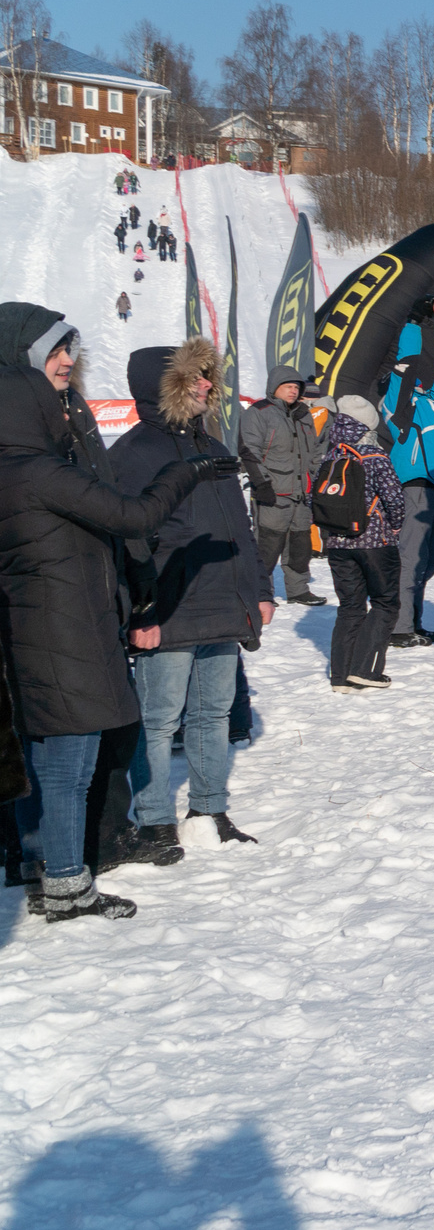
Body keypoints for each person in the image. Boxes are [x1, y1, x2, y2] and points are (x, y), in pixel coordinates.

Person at [0, 308, 228, 921]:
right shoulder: (36, 469)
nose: (68, 369)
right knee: (68, 769)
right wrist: (187, 472)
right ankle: (69, 884)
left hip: (51, 627)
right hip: (63, 630)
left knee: (46, 763)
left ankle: (38, 863)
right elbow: (132, 516)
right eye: (56, 356)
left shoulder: (24, 463)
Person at [110, 339, 272, 849]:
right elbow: (126, 542)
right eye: (195, 377)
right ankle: (156, 820)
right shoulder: (133, 454)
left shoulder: (214, 447)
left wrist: (260, 590)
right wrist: (140, 610)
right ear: (165, 386)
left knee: (213, 715)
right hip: (168, 607)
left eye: (208, 375)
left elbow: (241, 530)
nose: (207, 385)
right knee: (158, 721)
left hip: (223, 604)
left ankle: (209, 811)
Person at [384, 301, 434, 649]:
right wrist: (414, 321)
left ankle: (413, 620)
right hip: (412, 489)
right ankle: (399, 627)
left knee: (428, 563)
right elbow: (408, 365)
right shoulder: (396, 406)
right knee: (410, 560)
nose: (416, 381)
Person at [318, 397, 406, 690]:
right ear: (368, 426)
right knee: (385, 603)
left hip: (338, 546)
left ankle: (340, 677)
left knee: (350, 607)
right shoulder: (375, 456)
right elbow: (394, 498)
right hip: (375, 543)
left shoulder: (331, 456)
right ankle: (366, 670)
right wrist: (394, 526)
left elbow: (314, 499)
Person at [238, 364, 325, 605]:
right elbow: (248, 451)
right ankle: (259, 592)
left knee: (300, 545)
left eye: (297, 387)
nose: (293, 391)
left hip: (302, 493)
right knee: (267, 544)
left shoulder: (303, 414)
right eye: (288, 386)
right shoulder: (258, 412)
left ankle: (298, 590)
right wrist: (263, 485)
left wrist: (317, 481)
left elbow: (315, 452)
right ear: (274, 388)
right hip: (274, 491)